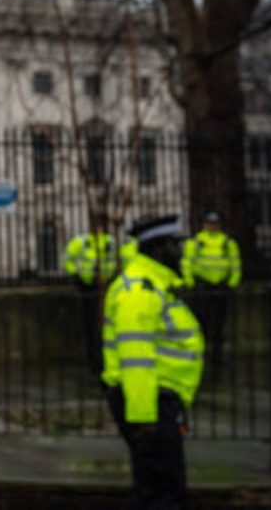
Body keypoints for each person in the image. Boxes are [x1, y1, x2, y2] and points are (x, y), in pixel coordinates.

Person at [102, 215, 204, 509]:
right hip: (150, 403)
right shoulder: (140, 291)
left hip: (158, 400)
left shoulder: (154, 285)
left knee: (156, 488)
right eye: (175, 246)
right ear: (158, 250)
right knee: (163, 493)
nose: (182, 252)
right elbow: (137, 360)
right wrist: (144, 418)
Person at [181, 210, 241, 374]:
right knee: (201, 325)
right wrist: (190, 282)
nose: (212, 226)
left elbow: (235, 265)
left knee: (219, 327)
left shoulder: (227, 243)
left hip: (221, 286)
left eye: (215, 223)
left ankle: (216, 360)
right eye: (210, 223)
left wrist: (232, 283)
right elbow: (187, 262)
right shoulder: (196, 241)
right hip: (202, 286)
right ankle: (202, 357)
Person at [63, 217, 117, 377]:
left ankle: (103, 362)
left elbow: (115, 261)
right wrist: (77, 276)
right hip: (87, 288)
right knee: (92, 327)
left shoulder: (110, 242)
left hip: (105, 288)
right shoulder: (81, 241)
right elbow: (67, 259)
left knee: (104, 326)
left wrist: (109, 276)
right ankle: (96, 363)